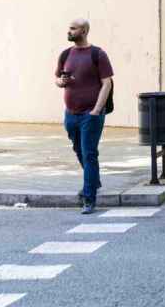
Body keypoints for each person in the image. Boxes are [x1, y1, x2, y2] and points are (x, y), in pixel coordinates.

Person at [55, 18, 113, 214]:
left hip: (91, 113)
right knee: (78, 150)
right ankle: (94, 181)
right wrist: (61, 82)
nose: (69, 31)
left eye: (73, 28)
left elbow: (107, 83)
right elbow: (57, 79)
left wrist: (97, 109)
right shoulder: (65, 54)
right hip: (71, 113)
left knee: (89, 153)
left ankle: (89, 198)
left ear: (84, 31)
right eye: (69, 27)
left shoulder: (98, 54)